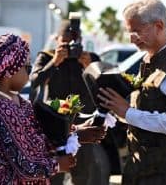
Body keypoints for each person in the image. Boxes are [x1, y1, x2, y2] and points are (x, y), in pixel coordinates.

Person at [98, 0, 166, 185]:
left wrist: (128, 113)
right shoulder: (148, 60)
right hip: (142, 169)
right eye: (130, 32)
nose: (131, 38)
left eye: (137, 31)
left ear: (159, 26)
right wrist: (116, 107)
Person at [0, 33, 75, 184]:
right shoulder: (1, 107)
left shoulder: (6, 97)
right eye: (27, 67)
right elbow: (26, 166)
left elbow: (36, 133)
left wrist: (76, 133)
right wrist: (58, 165)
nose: (29, 74)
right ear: (10, 72)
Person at [29, 20, 110, 185]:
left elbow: (104, 85)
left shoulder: (90, 57)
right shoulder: (47, 56)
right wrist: (55, 62)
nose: (70, 47)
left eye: (74, 42)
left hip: (84, 125)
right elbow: (35, 81)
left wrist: (90, 66)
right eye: (65, 42)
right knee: (54, 176)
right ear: (57, 39)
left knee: (84, 174)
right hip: (54, 126)